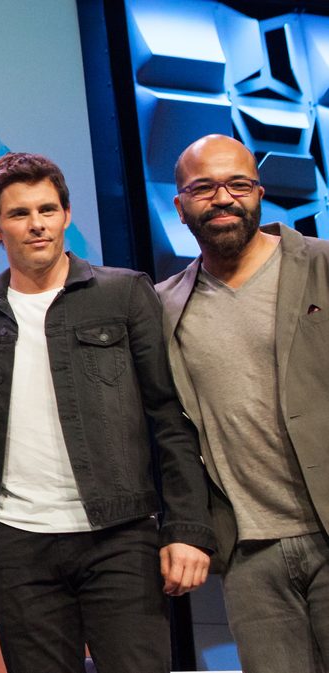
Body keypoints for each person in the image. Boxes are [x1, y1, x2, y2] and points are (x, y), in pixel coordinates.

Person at [0, 152, 214, 673]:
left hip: (119, 535)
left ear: (67, 214)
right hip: (19, 545)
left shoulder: (123, 293)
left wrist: (187, 527)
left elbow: (170, 417)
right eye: (19, 214)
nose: (37, 226)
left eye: (48, 210)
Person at [157, 134, 329, 672]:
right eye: (203, 188)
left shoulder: (322, 266)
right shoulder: (163, 306)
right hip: (250, 551)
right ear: (180, 207)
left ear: (259, 192)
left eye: (238, 184)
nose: (223, 198)